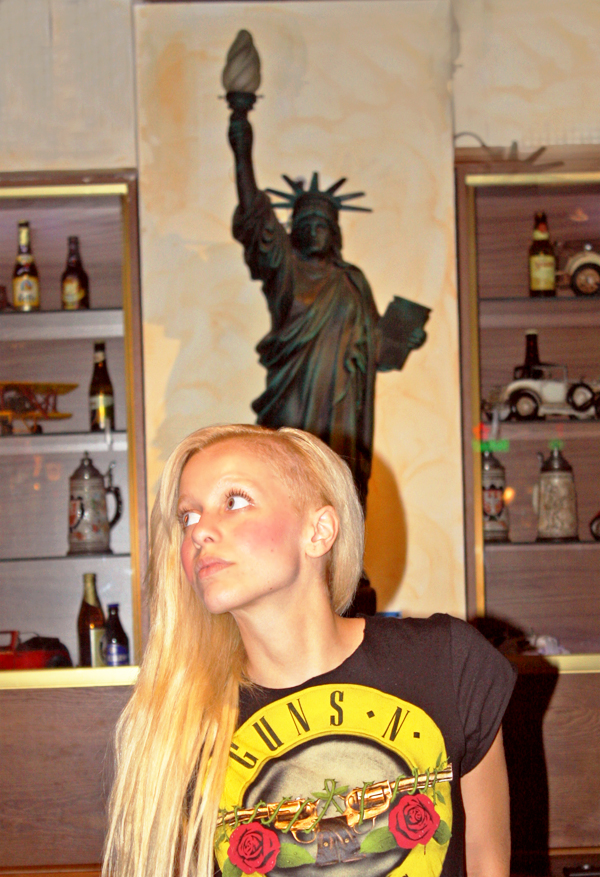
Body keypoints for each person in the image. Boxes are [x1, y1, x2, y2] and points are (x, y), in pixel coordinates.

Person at [103, 424, 515, 877]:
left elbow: (487, 859)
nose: (199, 531)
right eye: (188, 517)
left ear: (318, 532)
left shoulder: (445, 661)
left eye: (234, 501)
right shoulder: (183, 725)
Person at [228, 110, 426, 507]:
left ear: (334, 234)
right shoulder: (286, 270)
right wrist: (241, 146)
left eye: (323, 225)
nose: (316, 231)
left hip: (342, 409)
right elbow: (255, 216)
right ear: (294, 232)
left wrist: (403, 338)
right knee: (287, 490)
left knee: (339, 496)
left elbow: (374, 348)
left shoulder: (351, 281)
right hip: (292, 397)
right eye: (307, 224)